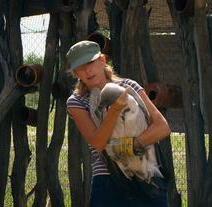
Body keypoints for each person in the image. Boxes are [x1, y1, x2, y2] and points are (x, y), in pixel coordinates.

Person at [66, 40, 171, 207]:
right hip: (109, 178)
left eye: (90, 62)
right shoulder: (76, 101)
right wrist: (114, 111)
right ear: (75, 73)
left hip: (147, 173)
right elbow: (98, 143)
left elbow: (162, 127)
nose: (87, 70)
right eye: (80, 67)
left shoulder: (129, 86)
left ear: (102, 60)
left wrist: (126, 148)